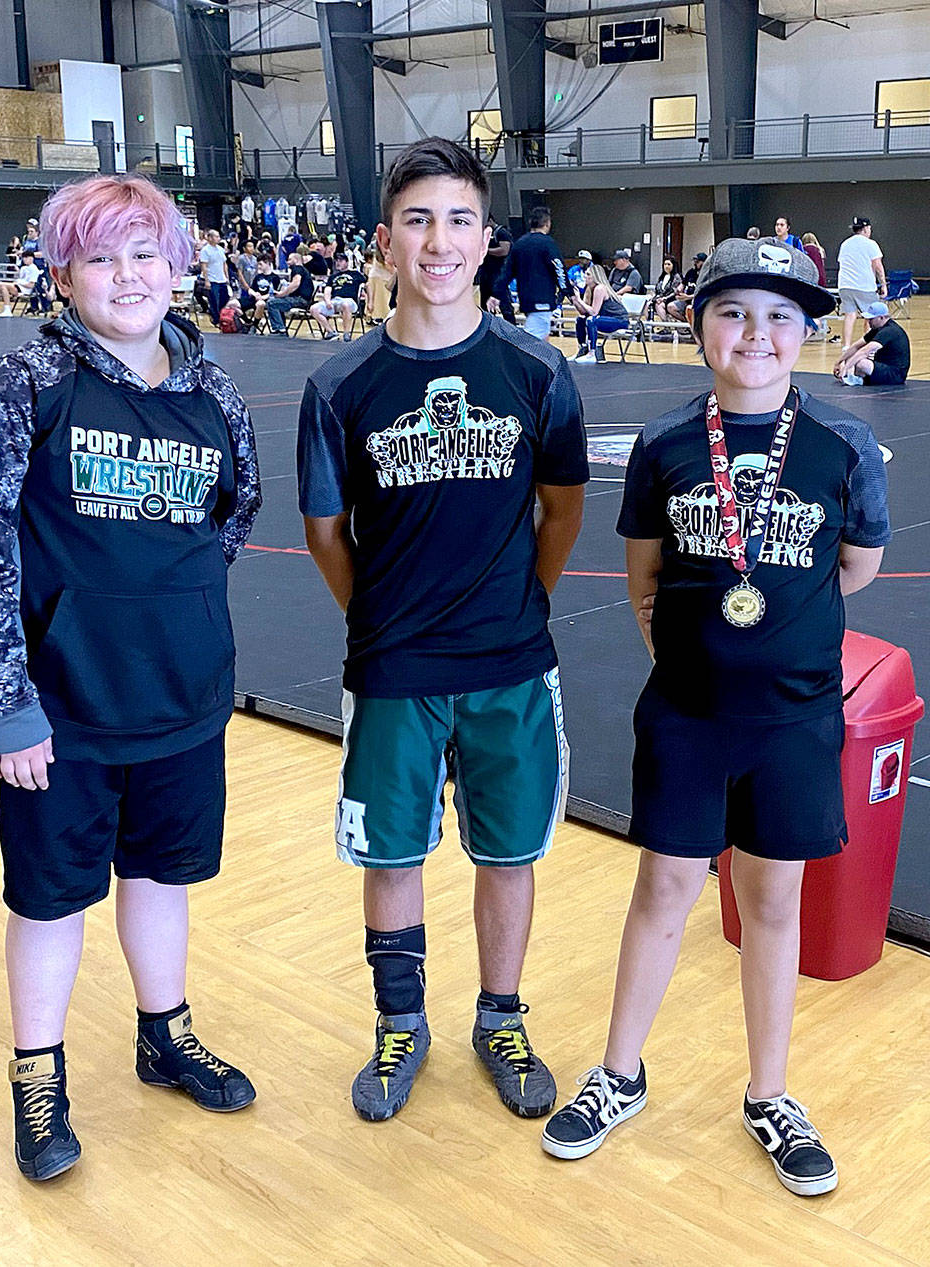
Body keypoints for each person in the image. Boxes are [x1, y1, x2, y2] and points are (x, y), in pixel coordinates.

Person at [541, 236, 889, 1199]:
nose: (757, 334)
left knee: (773, 903)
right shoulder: (662, 446)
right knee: (664, 890)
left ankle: (770, 1093)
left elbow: (853, 569)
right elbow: (644, 579)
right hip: (689, 717)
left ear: (806, 333)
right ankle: (619, 1072)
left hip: (794, 722)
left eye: (780, 315)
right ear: (698, 327)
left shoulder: (841, 448)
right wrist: (695, 670)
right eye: (734, 312)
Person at [0, 172, 262, 1182]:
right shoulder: (25, 385)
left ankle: (163, 1034)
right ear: (65, 272)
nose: (126, 275)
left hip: (181, 700)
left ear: (177, 266)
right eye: (100, 255)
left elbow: (232, 520)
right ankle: (37, 1075)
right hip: (58, 715)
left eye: (144, 253)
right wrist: (6, 700)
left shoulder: (213, 392)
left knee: (162, 877)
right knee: (48, 898)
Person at [297, 137, 588, 1124]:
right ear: (383, 241)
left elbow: (560, 512)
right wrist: (379, 619)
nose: (438, 239)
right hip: (393, 666)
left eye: (458, 218)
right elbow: (325, 532)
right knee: (390, 854)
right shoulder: (339, 387)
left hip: (509, 656)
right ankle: (399, 1022)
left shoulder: (538, 373)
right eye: (417, 219)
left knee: (507, 852)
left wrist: (518, 600)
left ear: (485, 238)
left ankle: (498, 1016)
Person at [487, 205, 567, 341]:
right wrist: (569, 293)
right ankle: (520, 361)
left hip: (527, 298)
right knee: (533, 341)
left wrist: (496, 294)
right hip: (542, 298)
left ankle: (543, 362)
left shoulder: (520, 244)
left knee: (543, 337)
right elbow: (559, 270)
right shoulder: (548, 243)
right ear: (547, 224)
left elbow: (506, 272)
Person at [836, 217, 887, 351]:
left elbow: (842, 263)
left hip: (845, 285)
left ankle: (846, 346)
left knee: (850, 314)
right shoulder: (871, 244)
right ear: (866, 229)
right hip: (864, 286)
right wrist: (883, 284)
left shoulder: (845, 244)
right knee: (869, 315)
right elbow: (878, 265)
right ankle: (868, 343)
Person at [833, 300, 910, 385]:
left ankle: (861, 380)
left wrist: (846, 369)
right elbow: (856, 346)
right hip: (884, 366)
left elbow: (865, 351)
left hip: (896, 374)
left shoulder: (889, 331)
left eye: (871, 319)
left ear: (881, 318)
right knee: (852, 356)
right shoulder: (877, 328)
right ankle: (862, 380)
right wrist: (839, 361)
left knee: (861, 363)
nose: (868, 322)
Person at [570, 263, 630, 364]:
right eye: (585, 273)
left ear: (595, 277)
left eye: (588, 274)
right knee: (580, 319)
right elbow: (584, 312)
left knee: (591, 320)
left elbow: (593, 312)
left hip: (620, 321)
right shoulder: (589, 289)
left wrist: (579, 300)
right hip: (605, 319)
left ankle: (592, 354)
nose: (585, 276)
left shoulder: (600, 288)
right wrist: (574, 300)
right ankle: (582, 349)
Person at [310, 249, 366, 341]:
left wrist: (369, 300)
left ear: (347, 262)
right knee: (314, 309)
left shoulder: (356, 274)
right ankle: (331, 332)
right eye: (336, 261)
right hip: (334, 301)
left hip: (349, 301)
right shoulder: (333, 277)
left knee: (345, 304)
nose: (338, 263)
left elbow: (367, 285)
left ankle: (346, 334)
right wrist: (327, 301)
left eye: (341, 261)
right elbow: (328, 290)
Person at [266, 250, 315, 334]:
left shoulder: (297, 269)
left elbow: (295, 284)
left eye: (289, 259)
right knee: (278, 303)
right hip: (304, 300)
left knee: (272, 303)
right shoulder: (305, 270)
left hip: (300, 300)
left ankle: (279, 329)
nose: (287, 262)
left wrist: (282, 294)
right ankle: (282, 326)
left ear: (295, 260)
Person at [477, 215, 514, 321]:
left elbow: (504, 250)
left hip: (498, 273)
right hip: (485, 273)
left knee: (504, 304)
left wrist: (487, 251)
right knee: (485, 305)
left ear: (490, 220)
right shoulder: (481, 234)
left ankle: (511, 329)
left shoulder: (501, 233)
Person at [364, 242, 394, 323]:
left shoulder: (377, 255)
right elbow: (392, 270)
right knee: (384, 307)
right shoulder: (385, 256)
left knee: (378, 307)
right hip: (382, 282)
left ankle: (375, 318)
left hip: (376, 281)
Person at [651, 254, 683, 323]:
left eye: (669, 264)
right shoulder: (662, 277)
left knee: (659, 305)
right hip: (659, 298)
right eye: (665, 264)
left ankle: (665, 325)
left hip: (670, 299)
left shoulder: (676, 277)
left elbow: (675, 292)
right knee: (647, 304)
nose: (666, 266)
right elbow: (657, 290)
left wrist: (664, 298)